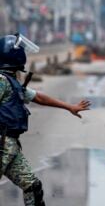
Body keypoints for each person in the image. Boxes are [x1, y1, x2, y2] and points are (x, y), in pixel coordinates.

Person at [0, 34, 91, 206]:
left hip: (10, 147)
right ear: (14, 54)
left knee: (33, 187)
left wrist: (69, 107)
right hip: (1, 144)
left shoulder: (13, 83)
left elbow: (38, 97)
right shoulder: (2, 81)